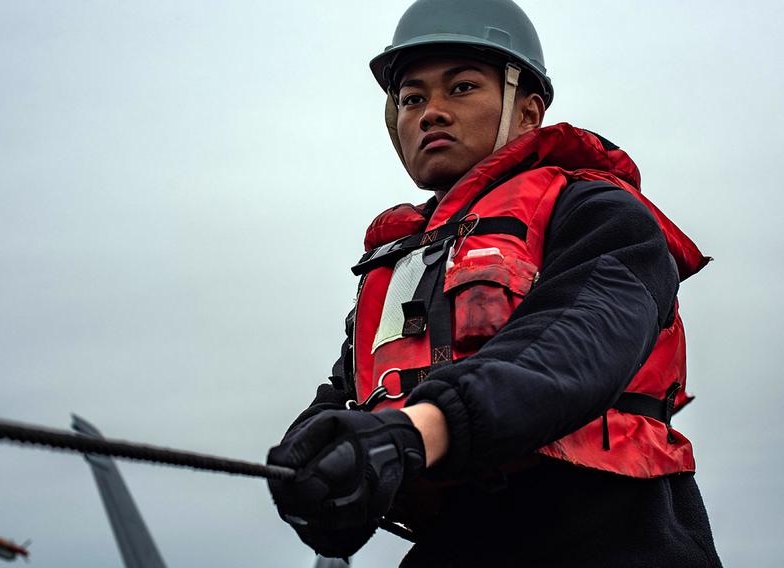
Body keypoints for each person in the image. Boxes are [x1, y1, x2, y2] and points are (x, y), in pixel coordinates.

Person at [267, 0, 723, 566]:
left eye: (460, 88)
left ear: (528, 113)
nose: (431, 112)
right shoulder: (401, 265)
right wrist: (314, 467)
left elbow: (579, 340)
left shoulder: (599, 211)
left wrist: (422, 429)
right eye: (412, 98)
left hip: (615, 534)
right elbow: (349, 393)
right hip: (460, 540)